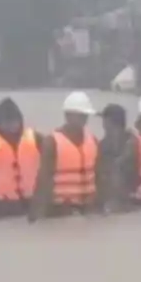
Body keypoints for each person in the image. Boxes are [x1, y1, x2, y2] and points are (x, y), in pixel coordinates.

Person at [30, 91, 102, 221]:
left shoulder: (93, 140)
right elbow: (43, 180)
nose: (84, 119)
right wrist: (37, 214)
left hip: (88, 209)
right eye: (80, 115)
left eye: (85, 115)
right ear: (67, 115)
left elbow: (100, 176)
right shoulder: (52, 142)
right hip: (61, 210)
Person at [0, 97, 41, 220]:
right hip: (1, 206)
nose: (11, 125)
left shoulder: (36, 138)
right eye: (6, 121)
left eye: (14, 121)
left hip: (31, 202)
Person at [97, 103, 139, 211]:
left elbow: (117, 167)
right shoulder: (103, 144)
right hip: (117, 199)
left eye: (104, 120)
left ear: (109, 122)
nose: (103, 124)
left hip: (124, 199)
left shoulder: (131, 143)